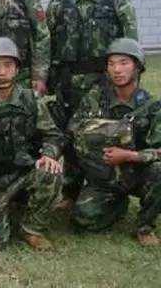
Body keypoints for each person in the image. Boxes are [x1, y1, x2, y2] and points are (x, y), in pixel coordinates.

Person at [47, 0, 138, 207]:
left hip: (105, 82)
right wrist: (46, 78)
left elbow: (131, 46)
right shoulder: (59, 3)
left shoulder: (117, 1)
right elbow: (46, 43)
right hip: (68, 82)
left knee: (106, 134)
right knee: (70, 134)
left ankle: (109, 189)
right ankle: (70, 191)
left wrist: (129, 82)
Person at [0, 37, 63, 250]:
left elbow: (53, 135)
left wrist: (48, 154)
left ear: (17, 69)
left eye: (8, 65)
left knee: (50, 171)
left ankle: (32, 229)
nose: (2, 72)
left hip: (24, 175)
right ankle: (1, 209)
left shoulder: (32, 100)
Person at [68, 38, 161, 246]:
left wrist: (129, 155)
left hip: (138, 174)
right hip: (104, 177)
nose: (117, 70)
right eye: (111, 64)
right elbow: (73, 128)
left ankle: (145, 227)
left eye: (123, 63)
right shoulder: (95, 98)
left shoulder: (152, 107)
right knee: (82, 219)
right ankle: (117, 203)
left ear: (137, 67)